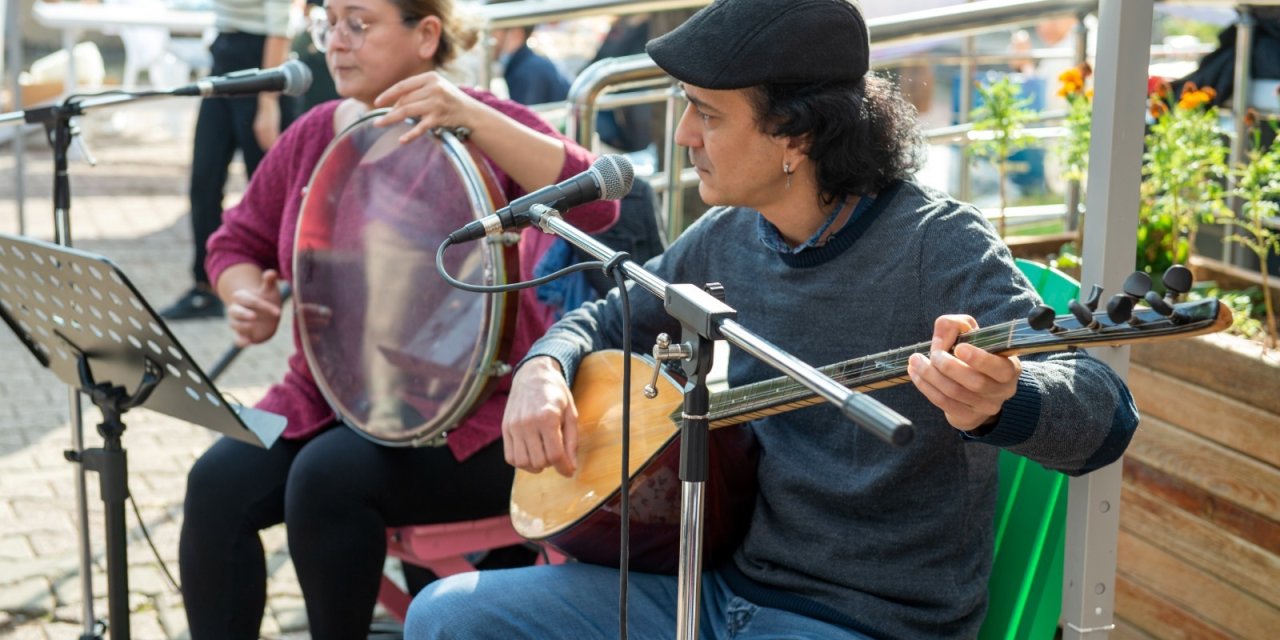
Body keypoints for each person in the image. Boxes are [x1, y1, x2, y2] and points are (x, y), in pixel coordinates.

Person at [402, 1, 1139, 638]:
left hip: (866, 621)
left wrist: (1007, 404)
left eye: (709, 113)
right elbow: (606, 317)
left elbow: (1104, 415)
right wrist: (542, 367)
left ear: (797, 136)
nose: (686, 134)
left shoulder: (934, 243)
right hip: (723, 591)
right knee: (444, 616)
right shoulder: (733, 232)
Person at [176, 0, 618, 636]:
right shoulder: (318, 130)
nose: (337, 42)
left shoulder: (475, 123)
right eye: (328, 22)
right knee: (216, 483)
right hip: (323, 393)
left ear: (426, 34)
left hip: (470, 412)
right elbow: (235, 241)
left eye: (360, 22)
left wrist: (473, 117)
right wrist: (245, 294)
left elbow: (595, 203)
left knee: (325, 481)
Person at [159, 0, 300, 320]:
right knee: (204, 180)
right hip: (224, 57)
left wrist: (268, 105)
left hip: (264, 66)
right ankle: (205, 287)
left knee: (267, 188)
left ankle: (282, 284)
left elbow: (282, 26)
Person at [487, 0, 571, 106]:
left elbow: (522, 120)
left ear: (515, 33)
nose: (489, 40)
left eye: (493, 32)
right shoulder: (526, 64)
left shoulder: (527, 72)